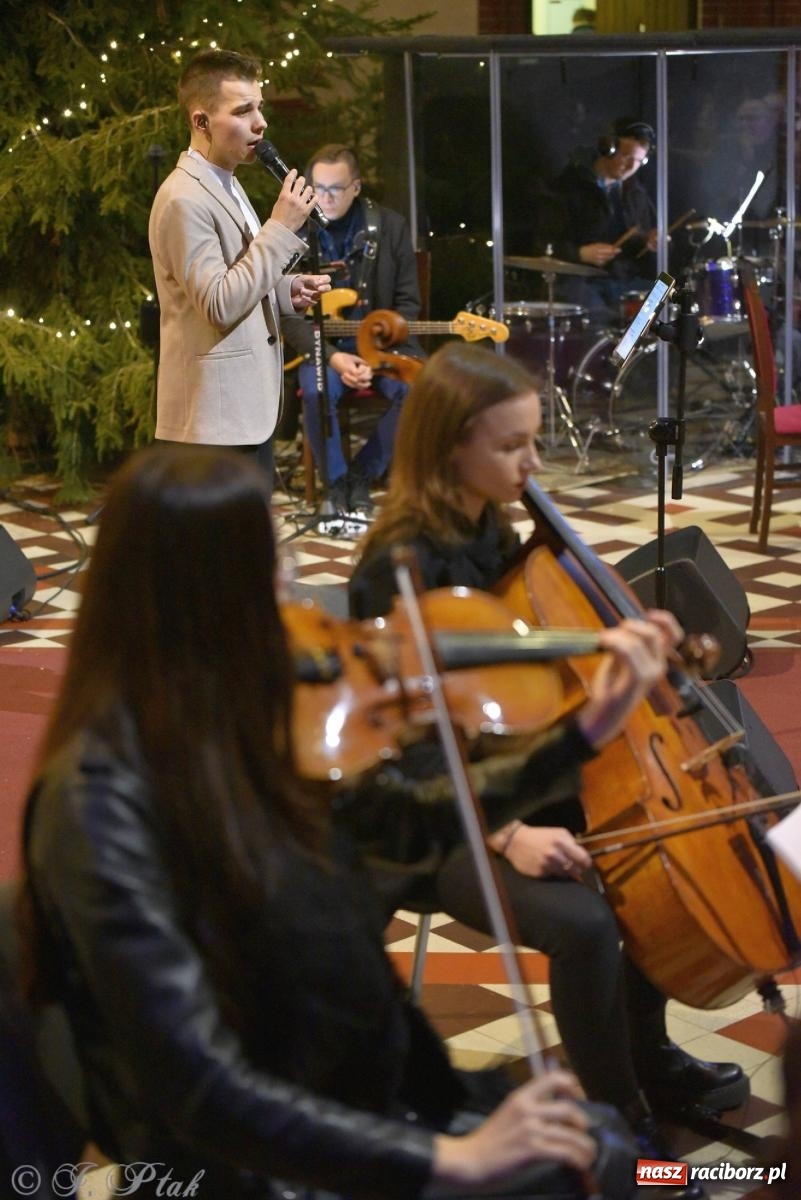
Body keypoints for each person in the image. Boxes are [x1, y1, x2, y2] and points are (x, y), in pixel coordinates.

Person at [17, 444, 638, 1200]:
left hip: (355, 1098)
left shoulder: (259, 722)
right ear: (201, 592)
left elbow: (408, 824)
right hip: (251, 1166)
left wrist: (584, 731)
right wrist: (451, 1162)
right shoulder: (97, 802)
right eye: (270, 561)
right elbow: (199, 1088)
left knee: (602, 1151)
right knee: (584, 1168)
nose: (294, 581)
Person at [348, 342, 752, 1200]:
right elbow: (405, 751)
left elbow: (524, 676)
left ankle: (647, 1057)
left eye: (534, 441)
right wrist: (509, 835)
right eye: (511, 446)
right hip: (429, 817)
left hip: (503, 773)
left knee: (640, 844)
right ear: (448, 447)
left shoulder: (492, 527)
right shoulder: (396, 568)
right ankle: (620, 1134)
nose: (532, 463)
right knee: (584, 924)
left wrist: (618, 641)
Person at [148, 49, 331, 493]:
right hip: (213, 423)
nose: (260, 123)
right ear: (201, 121)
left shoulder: (225, 183)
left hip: (242, 414)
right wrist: (280, 227)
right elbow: (218, 304)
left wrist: (285, 290)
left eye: (259, 107)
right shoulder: (183, 199)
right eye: (243, 110)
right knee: (220, 540)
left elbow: (237, 277)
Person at [282, 143, 423, 517]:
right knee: (316, 389)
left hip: (382, 345)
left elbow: (408, 303)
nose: (325, 198)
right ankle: (337, 483)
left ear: (356, 187)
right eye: (319, 188)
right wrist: (334, 357)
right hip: (324, 348)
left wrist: (372, 353)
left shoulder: (391, 227)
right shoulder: (295, 231)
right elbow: (289, 315)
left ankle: (361, 476)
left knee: (418, 388)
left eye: (336, 189)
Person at [537, 118, 658, 329]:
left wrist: (650, 242)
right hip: (579, 282)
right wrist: (580, 254)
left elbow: (642, 241)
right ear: (608, 148)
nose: (631, 166)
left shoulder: (636, 194)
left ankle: (632, 349)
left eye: (638, 161)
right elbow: (543, 242)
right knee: (602, 321)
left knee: (666, 301)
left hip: (622, 279)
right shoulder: (568, 188)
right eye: (626, 156)